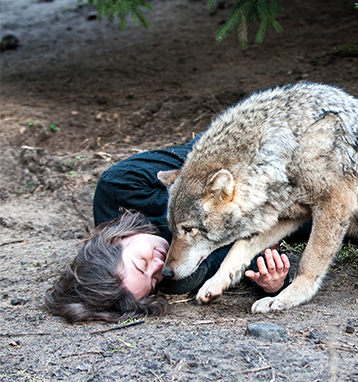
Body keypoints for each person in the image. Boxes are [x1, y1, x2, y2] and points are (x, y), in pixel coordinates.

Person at [45, 134, 300, 323]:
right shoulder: (178, 277)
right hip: (286, 221)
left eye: (142, 263)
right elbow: (241, 263)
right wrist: (272, 285)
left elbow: (204, 157)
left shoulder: (120, 187)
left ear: (116, 241)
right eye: (154, 280)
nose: (160, 267)